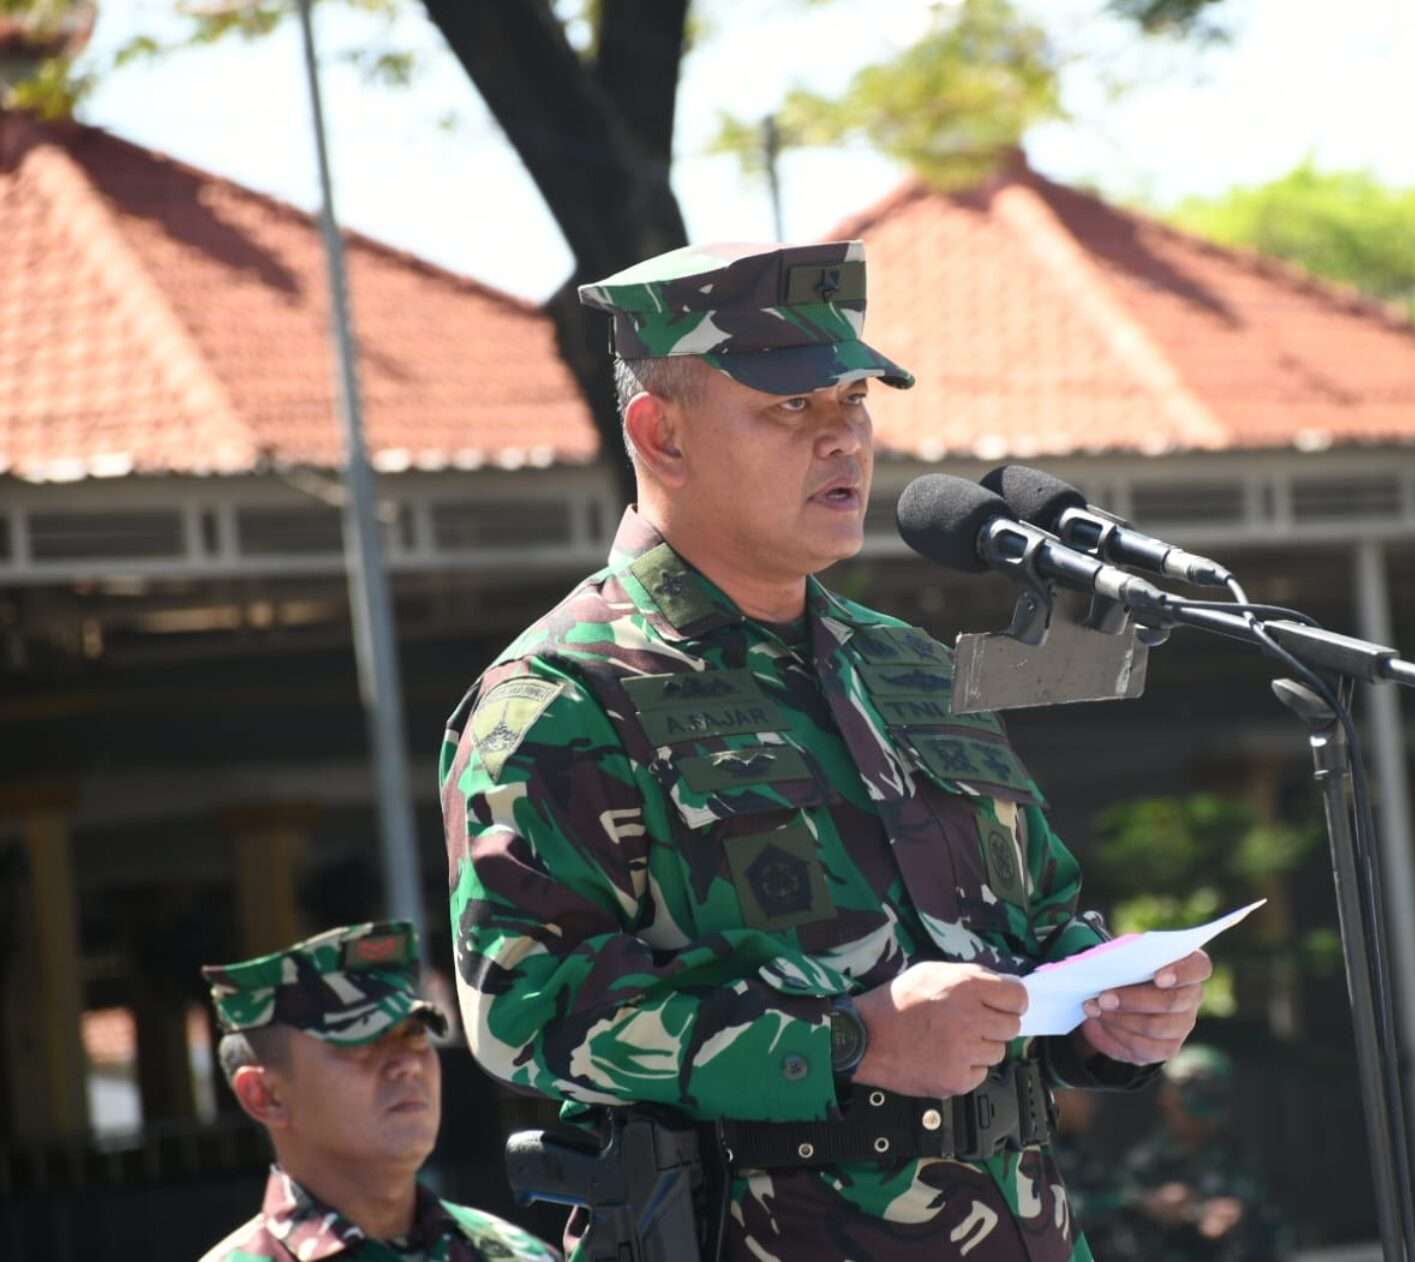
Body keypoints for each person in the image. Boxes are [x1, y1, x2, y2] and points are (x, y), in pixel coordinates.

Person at [438, 239, 1211, 1262]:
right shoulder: (565, 697)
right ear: (659, 430)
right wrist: (851, 1038)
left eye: (853, 396)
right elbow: (525, 1013)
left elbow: (1037, 918)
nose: (843, 436)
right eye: (790, 406)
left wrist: (1108, 999)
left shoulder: (911, 669)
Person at [195, 921, 558, 1262]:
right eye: (360, 1041)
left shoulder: (522, 1255)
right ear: (264, 1095)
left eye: (414, 1034)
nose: (407, 1064)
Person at [1103, 1045, 1286, 1262]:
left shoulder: (1240, 1157)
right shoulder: (1144, 1162)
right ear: (1166, 1098)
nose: (1194, 1120)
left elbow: (1272, 1227)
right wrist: (1148, 1204)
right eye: (1181, 1095)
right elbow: (1110, 1213)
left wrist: (1238, 1218)